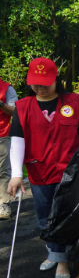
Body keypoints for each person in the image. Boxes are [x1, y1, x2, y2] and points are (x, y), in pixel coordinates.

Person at [7, 57, 79, 278]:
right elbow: (17, 141)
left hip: (71, 173)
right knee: (45, 219)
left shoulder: (73, 102)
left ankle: (62, 262)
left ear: (56, 78)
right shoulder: (22, 107)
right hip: (40, 173)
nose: (40, 88)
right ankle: (54, 252)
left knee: (65, 216)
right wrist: (17, 174)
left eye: (45, 83)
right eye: (35, 83)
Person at [0, 78, 18, 220]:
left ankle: (4, 203)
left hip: (1, 135)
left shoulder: (7, 88)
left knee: (3, 171)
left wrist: (0, 103)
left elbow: (14, 111)